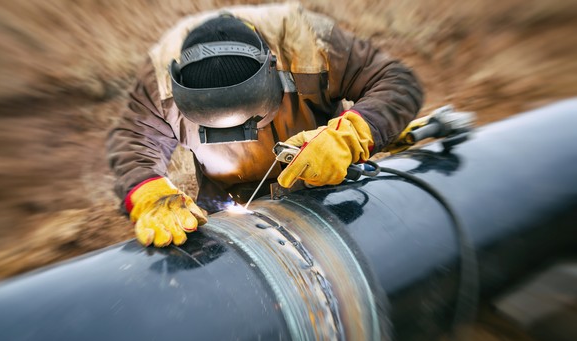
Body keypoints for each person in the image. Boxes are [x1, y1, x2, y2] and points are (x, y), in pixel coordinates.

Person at [107, 3, 424, 247]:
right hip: (227, 204)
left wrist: (354, 132)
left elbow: (396, 81)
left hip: (323, 187)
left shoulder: (309, 42)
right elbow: (133, 137)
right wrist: (146, 189)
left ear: (274, 69)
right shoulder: (159, 78)